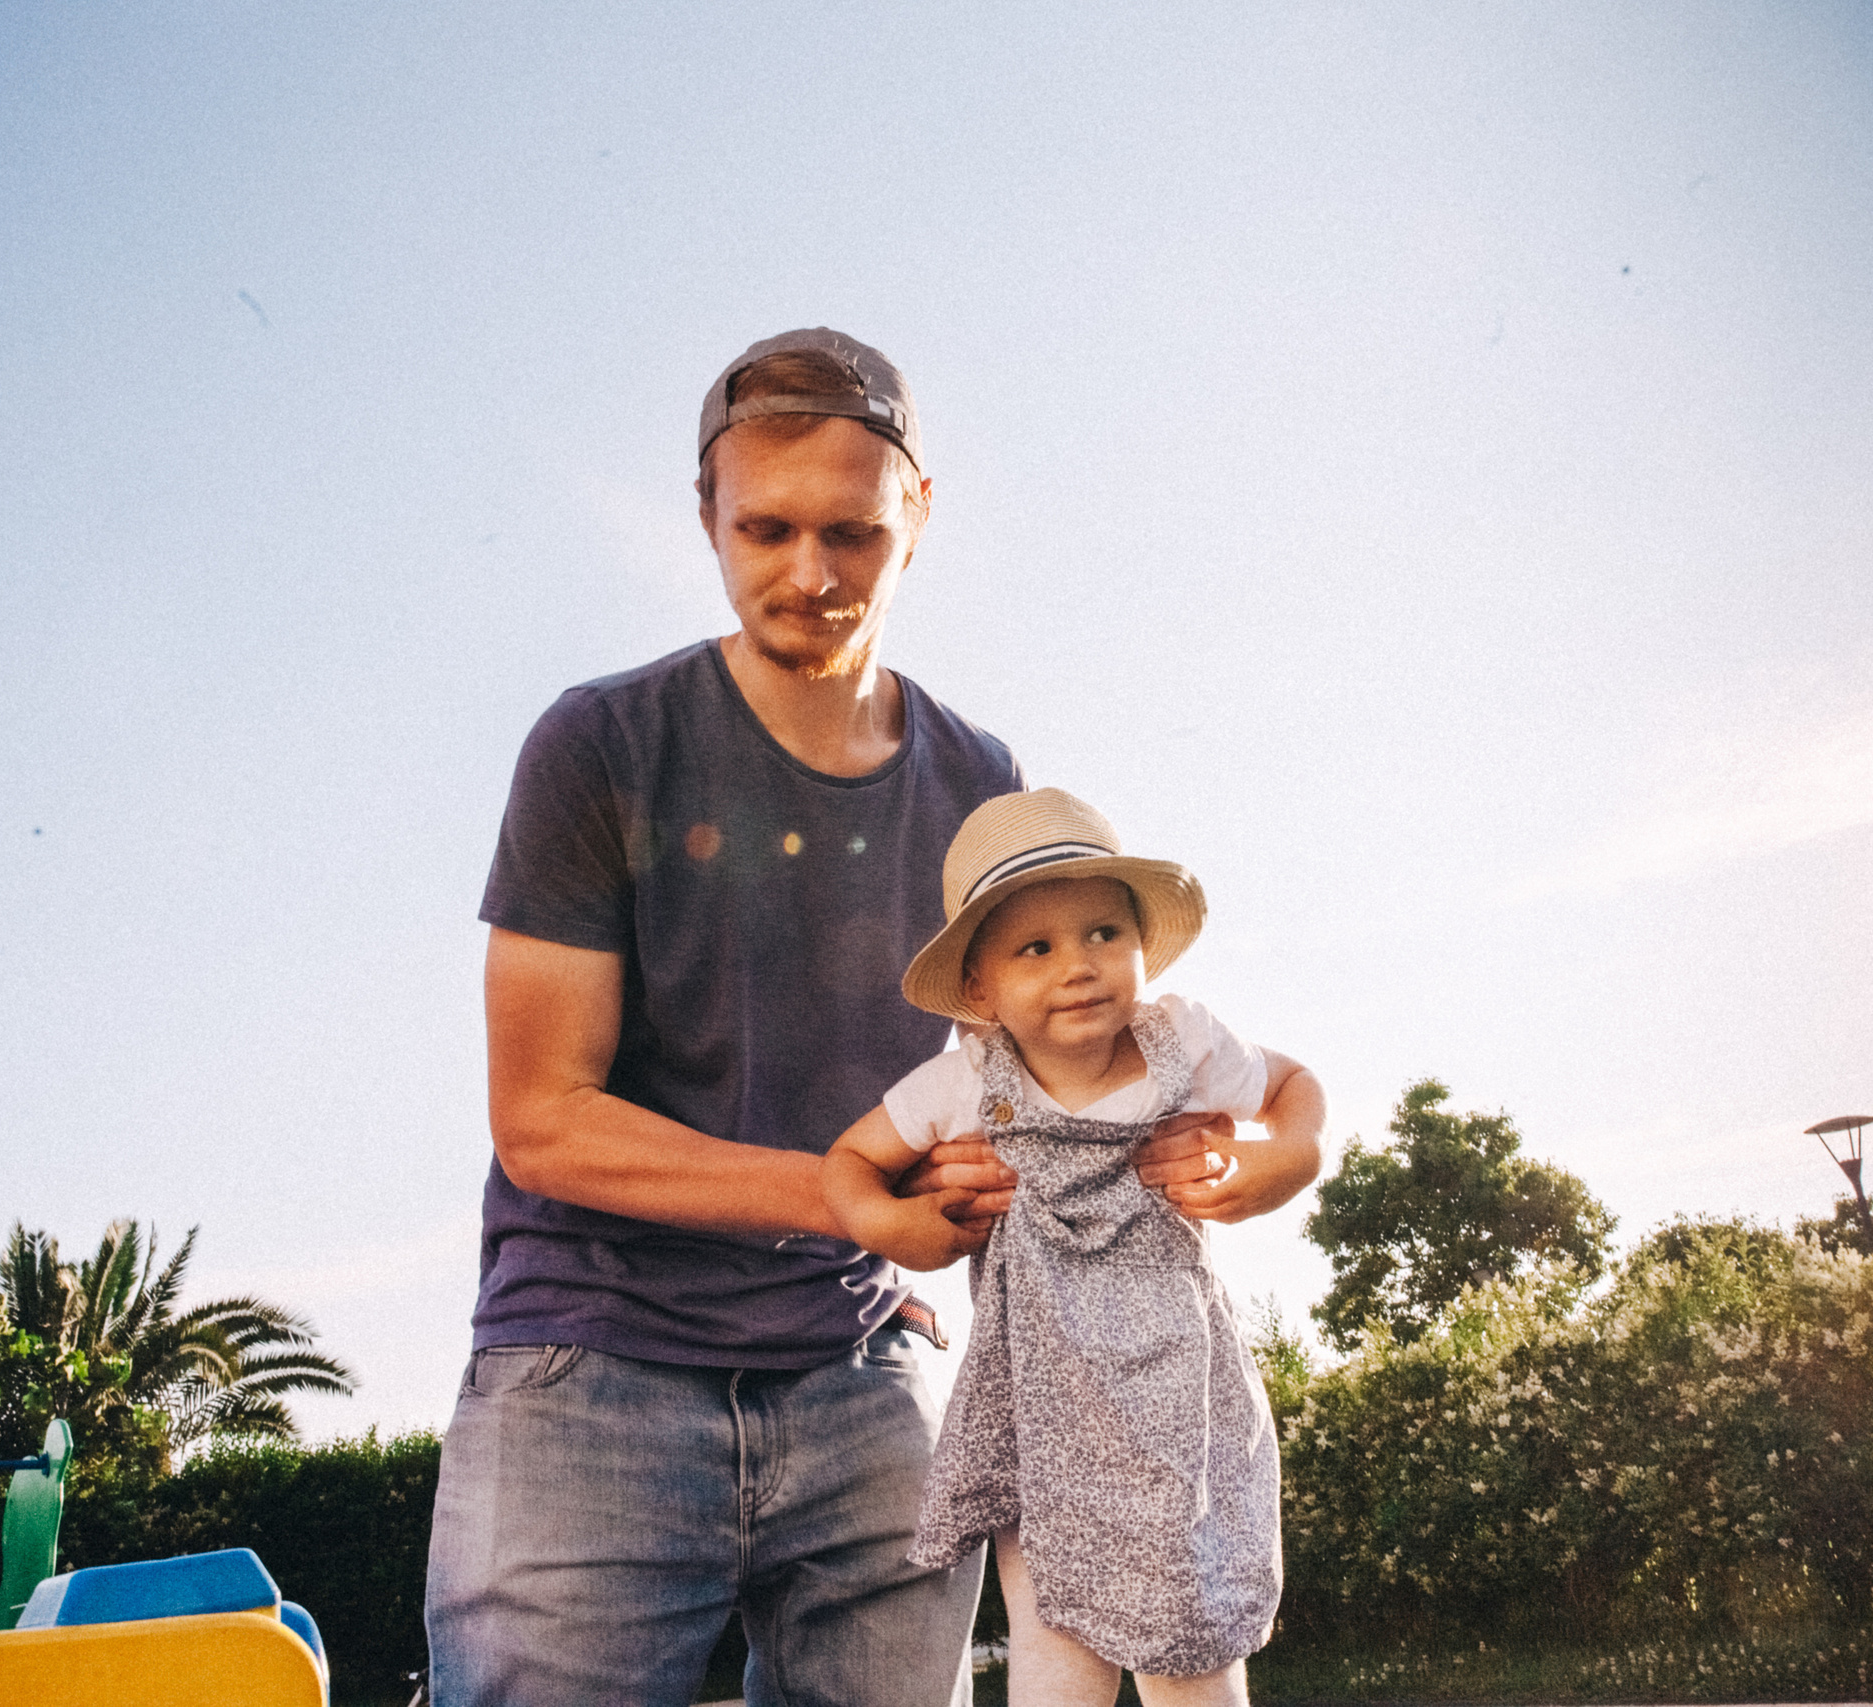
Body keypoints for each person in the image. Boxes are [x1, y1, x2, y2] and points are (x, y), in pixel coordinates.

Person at [424, 331, 1242, 1707]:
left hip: (865, 1383)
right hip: (591, 1372)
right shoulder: (601, 747)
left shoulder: (982, 786)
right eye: (767, 529)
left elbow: (1031, 1076)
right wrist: (850, 1196)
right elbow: (545, 1122)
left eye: (852, 532)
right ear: (706, 516)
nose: (810, 572)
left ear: (916, 516)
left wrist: (1157, 1134)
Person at [823, 788, 1327, 1707]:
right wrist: (899, 1228)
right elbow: (849, 1163)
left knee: (1193, 1650)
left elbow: (1296, 1087)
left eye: (1103, 932)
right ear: (981, 989)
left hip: (1178, 1407)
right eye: (1036, 947)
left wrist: (1284, 1160)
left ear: (1140, 941)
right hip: (1042, 1413)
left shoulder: (1181, 1043)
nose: (1079, 965)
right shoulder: (968, 1082)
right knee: (1057, 1659)